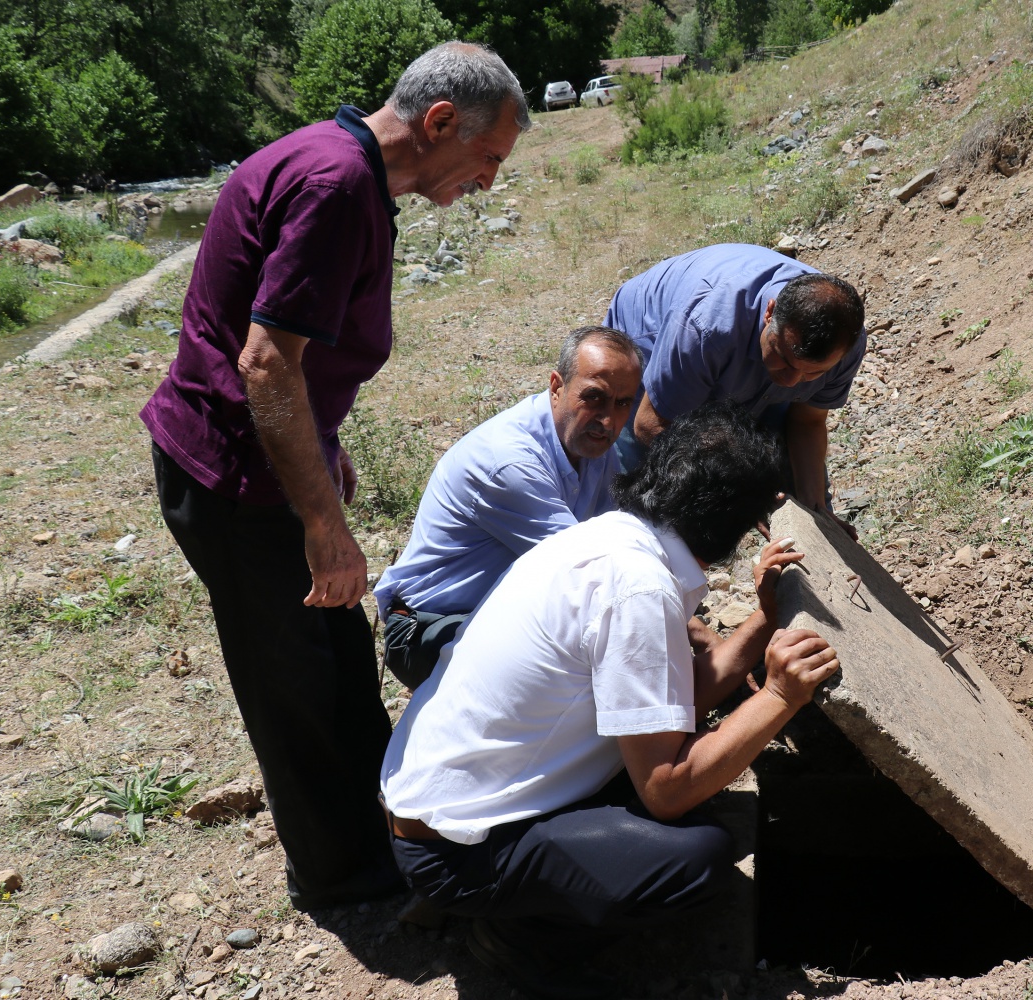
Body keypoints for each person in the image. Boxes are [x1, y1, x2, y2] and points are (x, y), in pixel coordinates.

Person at [139, 42, 530, 911]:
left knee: (337, 658)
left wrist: (321, 441)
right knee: (296, 684)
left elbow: (286, 349)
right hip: (233, 480)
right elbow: (268, 362)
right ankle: (341, 879)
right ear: (438, 123)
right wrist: (322, 522)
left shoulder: (339, 162)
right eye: (488, 158)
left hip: (261, 458)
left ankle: (383, 838)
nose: (488, 183)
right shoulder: (335, 186)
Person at [380, 404, 840, 1000]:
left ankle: (518, 889)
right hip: (453, 853)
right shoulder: (639, 588)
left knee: (681, 777)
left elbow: (679, 699)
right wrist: (780, 695)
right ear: (735, 528)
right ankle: (521, 940)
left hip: (440, 806)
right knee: (697, 856)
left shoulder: (612, 539)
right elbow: (667, 790)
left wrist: (764, 620)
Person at [373, 326, 643, 689]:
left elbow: (622, 537)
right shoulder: (508, 463)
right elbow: (588, 574)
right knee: (580, 677)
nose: (609, 420)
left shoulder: (588, 442)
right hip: (430, 629)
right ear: (556, 386)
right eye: (594, 397)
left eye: (623, 403)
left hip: (494, 613)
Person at [603, 242, 866, 534]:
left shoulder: (844, 347)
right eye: (785, 360)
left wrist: (814, 507)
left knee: (802, 498)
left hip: (733, 352)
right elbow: (652, 425)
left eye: (813, 374)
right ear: (770, 312)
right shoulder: (706, 327)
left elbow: (806, 421)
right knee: (648, 499)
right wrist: (737, 496)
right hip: (649, 340)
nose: (792, 383)